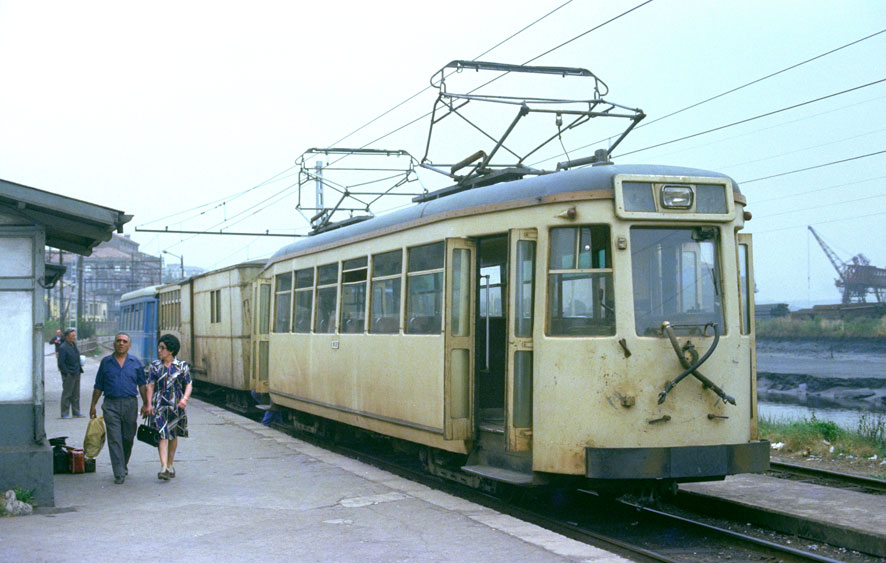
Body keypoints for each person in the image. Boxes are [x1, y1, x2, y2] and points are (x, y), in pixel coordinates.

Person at [89, 333, 147, 485]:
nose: (121, 343)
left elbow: (142, 385)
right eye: (118, 341)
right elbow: (98, 386)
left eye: (124, 341)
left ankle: (123, 463)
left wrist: (147, 404)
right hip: (111, 405)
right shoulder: (106, 363)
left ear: (129, 345)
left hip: (130, 404)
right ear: (114, 344)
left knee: (127, 438)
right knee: (114, 439)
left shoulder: (135, 363)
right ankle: (119, 472)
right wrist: (93, 405)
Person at [145, 334, 192, 481]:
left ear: (170, 350)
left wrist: (185, 399)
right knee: (162, 434)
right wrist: (148, 403)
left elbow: (189, 384)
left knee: (173, 434)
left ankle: (171, 464)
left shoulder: (182, 366)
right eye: (159, 347)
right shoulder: (154, 366)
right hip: (160, 404)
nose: (159, 350)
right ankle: (164, 467)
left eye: (162, 348)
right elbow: (150, 385)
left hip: (176, 404)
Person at [57, 328, 84, 418]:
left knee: (76, 394)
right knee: (67, 394)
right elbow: (61, 362)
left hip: (76, 372)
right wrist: (66, 372)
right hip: (69, 374)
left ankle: (76, 412)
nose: (74, 337)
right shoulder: (63, 347)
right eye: (72, 336)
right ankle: (64, 413)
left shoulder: (73, 345)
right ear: (67, 337)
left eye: (74, 336)